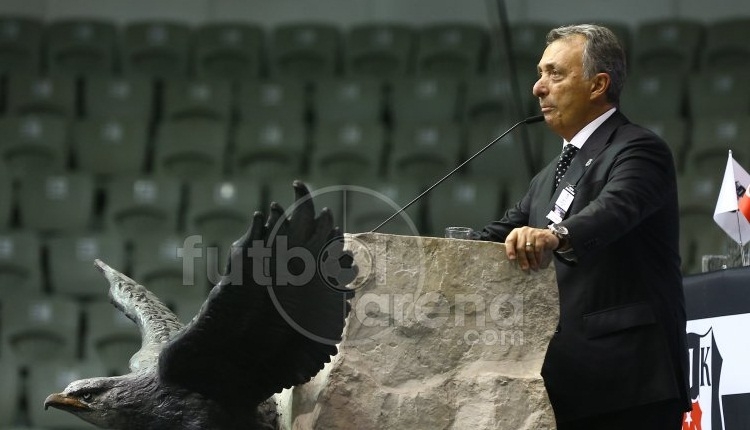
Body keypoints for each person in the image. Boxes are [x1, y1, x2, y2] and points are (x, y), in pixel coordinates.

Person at [473, 24, 690, 429]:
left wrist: (555, 235)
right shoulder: (545, 178)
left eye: (554, 73)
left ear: (597, 85)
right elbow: (493, 236)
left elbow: (615, 209)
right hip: (566, 384)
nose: (538, 88)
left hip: (630, 384)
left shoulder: (638, 149)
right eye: (540, 73)